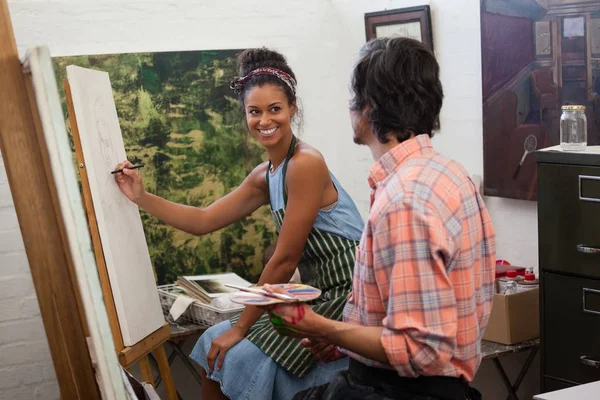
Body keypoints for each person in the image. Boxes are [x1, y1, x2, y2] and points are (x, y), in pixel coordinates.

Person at [113, 47, 364, 400]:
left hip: (348, 294)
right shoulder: (266, 174)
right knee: (210, 349)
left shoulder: (306, 164)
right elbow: (202, 220)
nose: (265, 121)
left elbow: (285, 259)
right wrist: (141, 196)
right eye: (254, 111)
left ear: (293, 108)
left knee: (234, 350)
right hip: (315, 293)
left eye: (275, 109)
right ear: (244, 114)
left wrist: (241, 328)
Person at [262, 37, 496, 400]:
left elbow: (419, 350)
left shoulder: (403, 200)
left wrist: (319, 326)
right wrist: (347, 340)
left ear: (368, 107)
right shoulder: (450, 173)